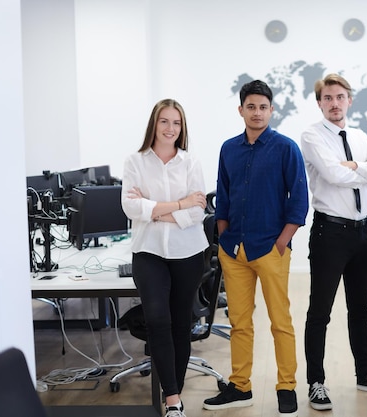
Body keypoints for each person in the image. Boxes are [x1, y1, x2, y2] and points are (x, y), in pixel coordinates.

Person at [202, 80, 309, 417]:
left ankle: (286, 386)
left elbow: (300, 202)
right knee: (240, 322)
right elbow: (223, 193)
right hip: (234, 250)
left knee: (281, 321)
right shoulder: (228, 149)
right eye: (251, 107)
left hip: (270, 249)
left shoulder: (286, 148)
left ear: (271, 110)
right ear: (241, 110)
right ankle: (240, 386)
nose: (257, 112)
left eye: (263, 107)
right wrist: (223, 237)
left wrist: (281, 243)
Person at [301, 73, 367, 411]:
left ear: (349, 100)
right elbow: (332, 175)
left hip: (363, 234)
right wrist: (362, 169)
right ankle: (316, 381)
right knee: (320, 311)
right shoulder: (312, 135)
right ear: (320, 103)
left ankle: (365, 373)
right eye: (328, 98)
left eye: (340, 97)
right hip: (330, 234)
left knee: (361, 308)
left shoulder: (359, 136)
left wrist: (355, 164)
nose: (334, 103)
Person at [121, 98, 209, 417]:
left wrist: (154, 209)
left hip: (188, 252)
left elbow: (199, 211)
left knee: (180, 324)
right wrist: (178, 204)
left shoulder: (190, 162)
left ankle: (175, 396)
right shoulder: (135, 161)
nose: (170, 128)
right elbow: (130, 207)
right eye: (164, 121)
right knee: (157, 319)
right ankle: (172, 398)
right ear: (153, 124)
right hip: (148, 252)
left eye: (176, 123)